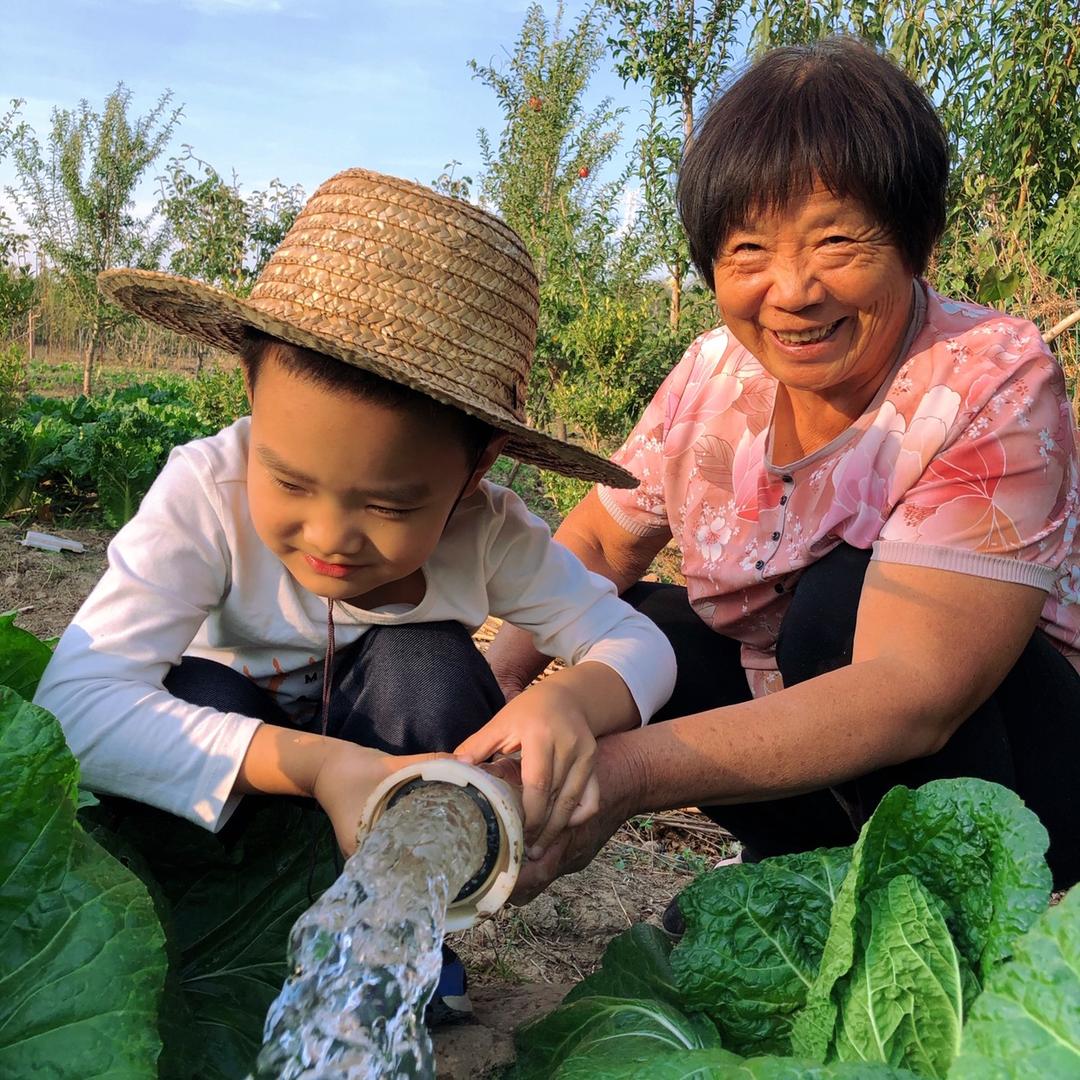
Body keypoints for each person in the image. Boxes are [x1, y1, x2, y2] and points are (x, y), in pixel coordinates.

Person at [33, 168, 676, 1015]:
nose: (330, 536)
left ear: (474, 470)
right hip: (244, 782)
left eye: (389, 504)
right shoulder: (203, 493)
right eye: (288, 480)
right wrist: (317, 764)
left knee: (431, 669)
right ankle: (211, 930)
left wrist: (575, 702)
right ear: (251, 401)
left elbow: (644, 644)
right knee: (190, 689)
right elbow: (76, 708)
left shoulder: (487, 531)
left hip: (385, 801)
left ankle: (398, 941)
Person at [487, 36, 1080, 899]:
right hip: (825, 760)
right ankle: (806, 877)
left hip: (1020, 781)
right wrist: (494, 697)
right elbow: (597, 548)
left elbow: (917, 690)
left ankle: (964, 912)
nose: (794, 291)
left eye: (836, 242)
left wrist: (620, 776)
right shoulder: (712, 375)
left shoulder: (988, 375)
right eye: (748, 252)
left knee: (832, 611)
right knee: (652, 633)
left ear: (916, 240)